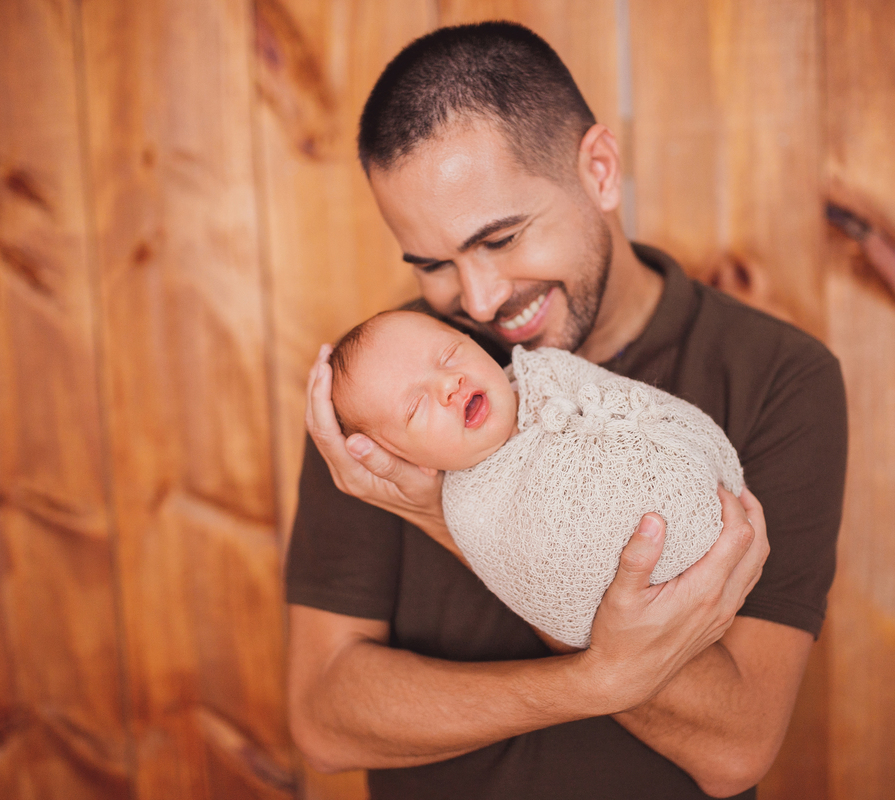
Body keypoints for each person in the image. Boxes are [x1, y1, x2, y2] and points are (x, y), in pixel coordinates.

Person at [286, 20, 847, 800]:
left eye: (503, 237)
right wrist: (596, 680)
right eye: (433, 265)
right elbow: (324, 719)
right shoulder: (389, 392)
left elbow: (735, 746)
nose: (477, 301)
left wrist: (446, 520)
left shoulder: (778, 377)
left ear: (601, 170)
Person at [328, 308, 745, 649]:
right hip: (643, 589)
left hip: (699, 490)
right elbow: (548, 593)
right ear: (414, 462)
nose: (448, 385)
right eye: (416, 407)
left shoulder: (545, 370)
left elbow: (643, 402)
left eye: (449, 355)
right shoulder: (470, 509)